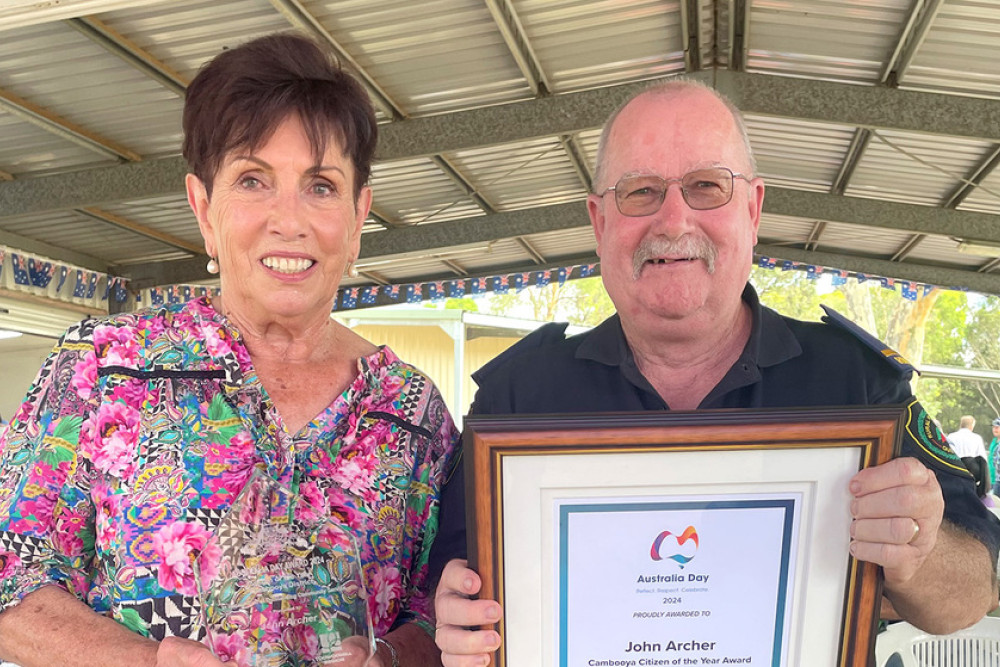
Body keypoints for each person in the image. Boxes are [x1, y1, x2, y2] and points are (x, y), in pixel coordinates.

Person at [430, 80, 1000, 666]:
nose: (673, 220)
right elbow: (444, 589)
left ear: (752, 209)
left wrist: (918, 553)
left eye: (706, 186)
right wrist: (453, 618)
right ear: (599, 222)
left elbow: (974, 595)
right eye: (640, 191)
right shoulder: (517, 397)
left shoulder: (859, 385)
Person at [0, 33, 456, 667]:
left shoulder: (411, 413)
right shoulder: (106, 368)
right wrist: (147, 662)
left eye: (321, 186)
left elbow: (445, 615)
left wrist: (388, 659)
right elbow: (8, 580)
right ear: (203, 207)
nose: (288, 218)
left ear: (358, 218)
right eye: (253, 180)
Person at [948, 415, 989, 497]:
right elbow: (983, 457)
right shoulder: (977, 438)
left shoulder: (951, 437)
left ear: (961, 425)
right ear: (971, 426)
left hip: (957, 468)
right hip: (973, 470)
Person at [989, 417, 1000, 497]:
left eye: (997, 427)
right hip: (991, 479)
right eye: (993, 427)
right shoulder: (994, 441)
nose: (995, 429)